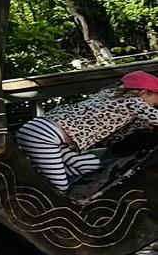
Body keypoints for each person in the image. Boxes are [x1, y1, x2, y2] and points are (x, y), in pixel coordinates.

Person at [15, 70, 158, 193]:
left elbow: (114, 136)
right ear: (144, 93)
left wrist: (144, 125)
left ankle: (45, 170)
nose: (153, 108)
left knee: (92, 164)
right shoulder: (134, 102)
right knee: (60, 187)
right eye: (155, 104)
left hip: (50, 137)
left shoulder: (108, 97)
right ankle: (31, 185)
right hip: (43, 137)